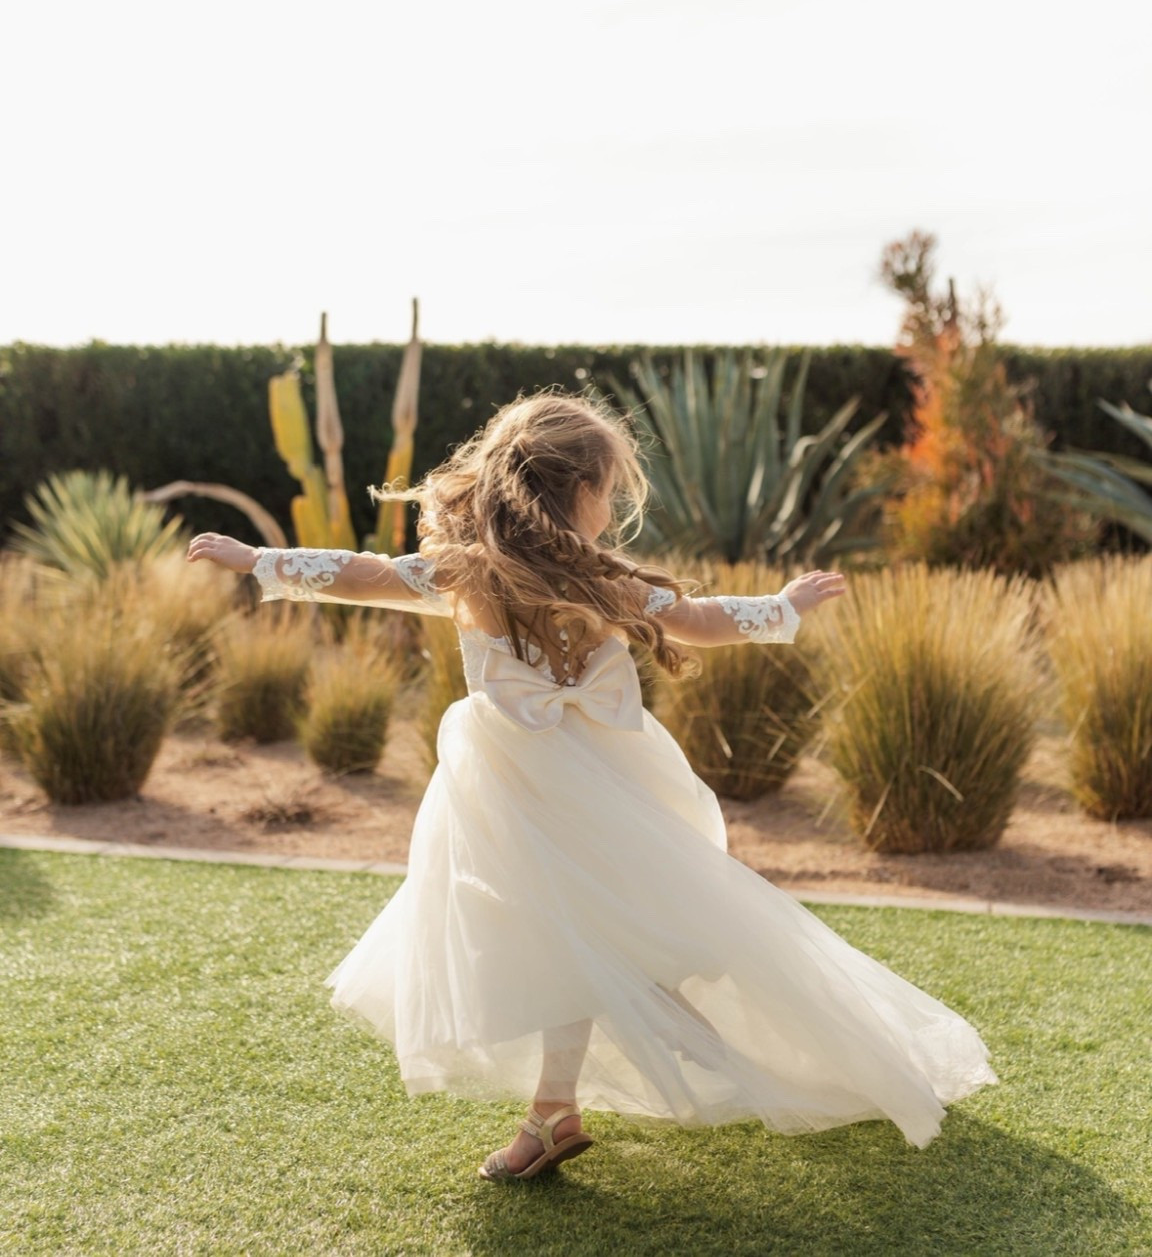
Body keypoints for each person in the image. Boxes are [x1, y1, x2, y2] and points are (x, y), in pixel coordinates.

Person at [187, 391, 997, 1181]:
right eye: (609, 489)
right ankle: (564, 1101)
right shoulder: (550, 576)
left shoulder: (480, 574)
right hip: (560, 778)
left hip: (544, 783)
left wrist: (261, 560)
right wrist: (781, 608)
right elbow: (706, 623)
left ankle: (626, 1058)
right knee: (561, 938)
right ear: (578, 491)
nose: (612, 506)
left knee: (579, 932)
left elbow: (363, 576)